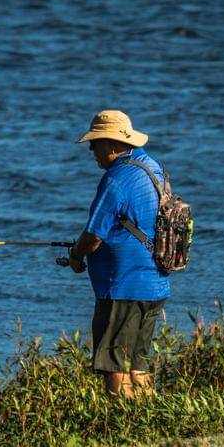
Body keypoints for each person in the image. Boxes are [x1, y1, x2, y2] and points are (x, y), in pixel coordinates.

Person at [63, 110, 169, 399]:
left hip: (122, 286)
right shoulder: (151, 167)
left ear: (112, 144)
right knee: (138, 364)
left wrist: (76, 255)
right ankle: (149, 424)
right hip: (154, 283)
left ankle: (121, 428)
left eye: (94, 143)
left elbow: (94, 235)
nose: (91, 150)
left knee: (115, 366)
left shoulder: (115, 180)